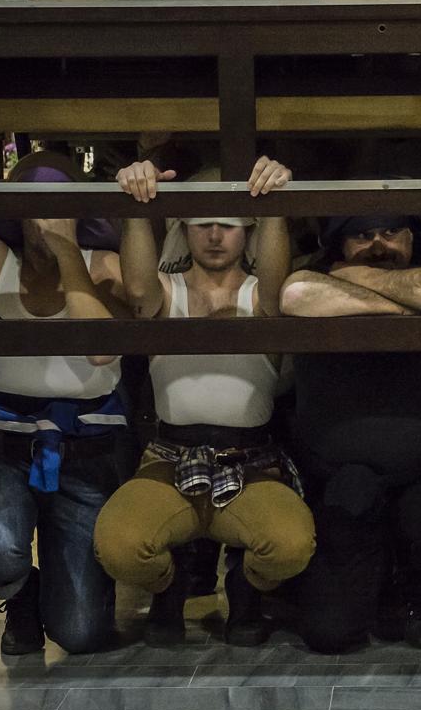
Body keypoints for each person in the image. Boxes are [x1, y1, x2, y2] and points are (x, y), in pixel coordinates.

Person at [94, 156, 316, 648]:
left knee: (290, 546)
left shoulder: (264, 297)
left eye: (230, 224)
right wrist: (136, 198)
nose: (215, 235)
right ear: (184, 228)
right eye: (203, 223)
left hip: (251, 460)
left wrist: (276, 201)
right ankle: (170, 587)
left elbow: (279, 296)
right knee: (120, 545)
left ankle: (245, 587)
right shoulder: (164, 292)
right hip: (170, 459)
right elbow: (137, 291)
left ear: (249, 231)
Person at [280, 214, 421, 652]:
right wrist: (407, 308)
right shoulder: (314, 279)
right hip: (343, 476)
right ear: (338, 244)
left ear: (412, 237)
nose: (379, 244)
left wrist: (359, 280)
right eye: (361, 234)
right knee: (330, 633)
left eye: (390, 232)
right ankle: (373, 582)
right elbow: (298, 296)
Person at [0, 153, 135, 655]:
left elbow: (100, 349)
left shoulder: (102, 265)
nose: (45, 223)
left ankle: (67, 593)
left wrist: (68, 248)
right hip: (4, 448)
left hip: (86, 451)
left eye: (59, 209)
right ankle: (23, 595)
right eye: (37, 211)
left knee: (80, 633)